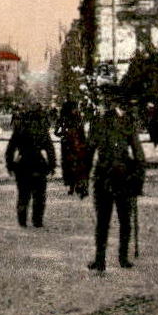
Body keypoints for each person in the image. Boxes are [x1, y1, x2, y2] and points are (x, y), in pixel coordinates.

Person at [87, 96, 145, 270]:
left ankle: (100, 259)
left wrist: (83, 178)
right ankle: (122, 258)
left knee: (103, 220)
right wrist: (138, 182)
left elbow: (88, 153)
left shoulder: (97, 123)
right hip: (122, 177)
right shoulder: (127, 123)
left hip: (104, 176)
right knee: (124, 220)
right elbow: (139, 156)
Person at [4, 107, 56, 228]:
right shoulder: (41, 130)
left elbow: (10, 149)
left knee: (23, 194)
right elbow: (50, 149)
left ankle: (22, 220)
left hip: (23, 165)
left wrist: (10, 165)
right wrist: (51, 165)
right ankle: (37, 220)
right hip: (38, 164)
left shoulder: (20, 130)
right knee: (39, 196)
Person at [55, 100, 90, 198]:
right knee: (69, 165)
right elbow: (56, 132)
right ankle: (71, 185)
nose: (76, 110)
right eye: (74, 108)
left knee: (80, 165)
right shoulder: (63, 119)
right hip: (67, 145)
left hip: (78, 145)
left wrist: (84, 143)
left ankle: (80, 186)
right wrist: (65, 133)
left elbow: (82, 132)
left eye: (76, 108)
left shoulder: (79, 118)